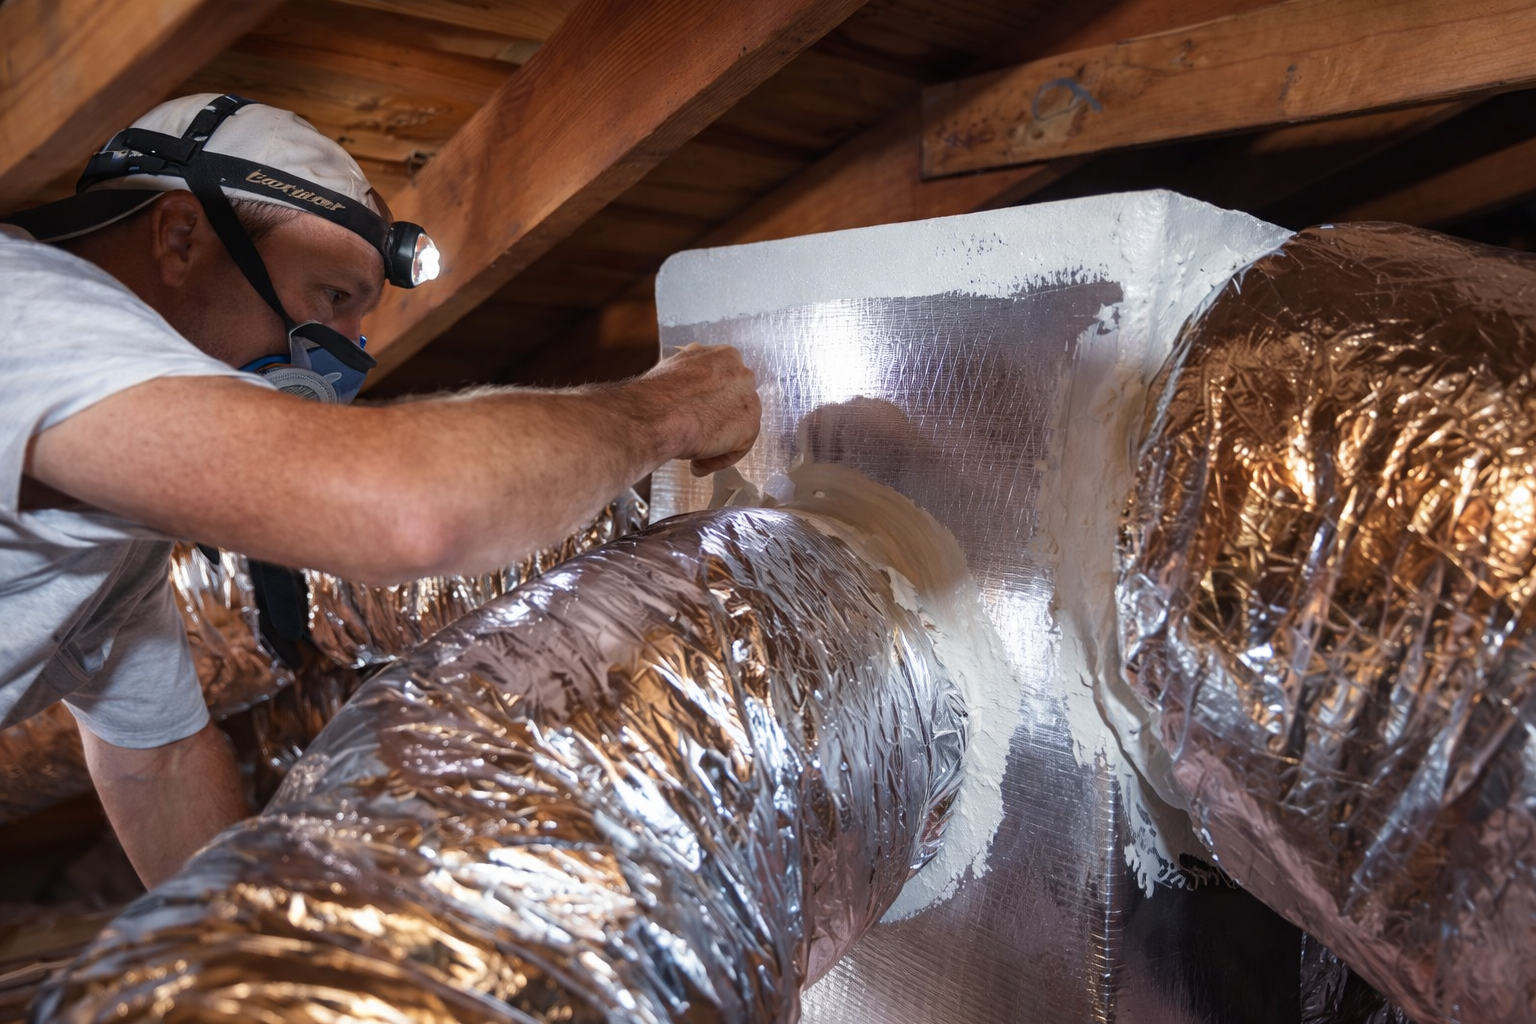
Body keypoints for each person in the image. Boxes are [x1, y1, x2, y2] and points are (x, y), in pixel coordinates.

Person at [0, 94, 760, 887]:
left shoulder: (117, 527)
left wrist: (260, 977)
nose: (349, 355)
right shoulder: (23, 310)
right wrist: (664, 410)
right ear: (182, 237)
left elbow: (155, 763)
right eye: (331, 298)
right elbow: (413, 512)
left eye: (361, 322)